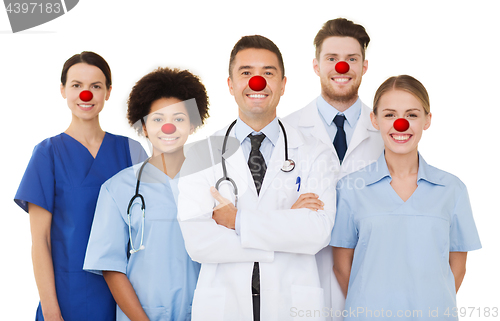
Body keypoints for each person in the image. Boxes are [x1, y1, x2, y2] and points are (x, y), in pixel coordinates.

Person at [176, 35, 336, 321]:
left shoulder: (315, 152)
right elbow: (198, 242)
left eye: (268, 73)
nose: (257, 83)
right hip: (225, 305)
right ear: (231, 84)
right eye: (246, 73)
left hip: (292, 304)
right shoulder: (201, 155)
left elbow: (316, 232)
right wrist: (287, 223)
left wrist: (236, 220)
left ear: (283, 84)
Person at [330, 75, 481, 320]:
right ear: (375, 120)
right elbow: (341, 265)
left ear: (427, 120)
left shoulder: (452, 189)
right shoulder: (350, 189)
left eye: (411, 115)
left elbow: (458, 267)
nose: (401, 124)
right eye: (390, 115)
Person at [14, 51, 147, 321]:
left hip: (125, 293)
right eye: (76, 85)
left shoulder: (130, 150)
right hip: (67, 296)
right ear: (63, 90)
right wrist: (51, 311)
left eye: (95, 86)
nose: (86, 95)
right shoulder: (47, 154)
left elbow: (151, 226)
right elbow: (40, 240)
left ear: (108, 92)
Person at [83, 67, 209, 321]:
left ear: (193, 125)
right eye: (158, 119)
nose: (169, 128)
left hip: (207, 312)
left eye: (179, 119)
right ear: (143, 126)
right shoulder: (117, 189)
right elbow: (111, 268)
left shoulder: (211, 183)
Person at [284, 18, 384, 319]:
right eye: (332, 59)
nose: (342, 68)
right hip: (302, 275)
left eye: (351, 59)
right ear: (316, 65)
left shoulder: (388, 133)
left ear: (364, 66)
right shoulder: (285, 131)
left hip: (368, 272)